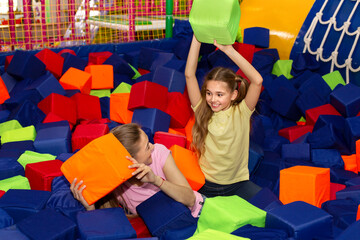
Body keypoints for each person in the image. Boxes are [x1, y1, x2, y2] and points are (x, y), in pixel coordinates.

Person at [184, 34, 263, 200]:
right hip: (206, 184)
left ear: (234, 95)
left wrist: (229, 50)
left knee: (268, 211)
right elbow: (189, 75)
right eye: (209, 93)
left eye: (220, 94)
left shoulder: (241, 112)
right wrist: (196, 39)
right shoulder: (202, 110)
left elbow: (257, 80)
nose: (213, 99)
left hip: (237, 184)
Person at [70, 123, 204, 218]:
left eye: (148, 142)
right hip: (164, 227)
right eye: (146, 147)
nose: (152, 146)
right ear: (130, 160)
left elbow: (190, 200)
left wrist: (156, 181)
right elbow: (108, 227)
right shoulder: (116, 179)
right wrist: (90, 207)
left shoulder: (158, 153)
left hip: (197, 212)